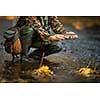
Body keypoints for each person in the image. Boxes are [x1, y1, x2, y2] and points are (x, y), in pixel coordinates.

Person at [3, 16, 78, 62]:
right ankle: (23, 56)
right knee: (29, 30)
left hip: (40, 38)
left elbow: (56, 25)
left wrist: (65, 33)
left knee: (58, 45)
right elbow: (36, 26)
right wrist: (50, 37)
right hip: (22, 39)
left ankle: (34, 56)